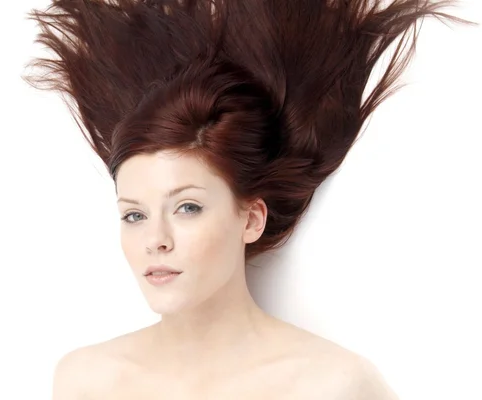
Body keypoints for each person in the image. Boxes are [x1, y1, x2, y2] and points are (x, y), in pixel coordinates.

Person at [23, 1, 474, 398]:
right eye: (134, 215)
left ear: (252, 218)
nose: (155, 240)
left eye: (187, 207)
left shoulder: (331, 386)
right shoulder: (87, 381)